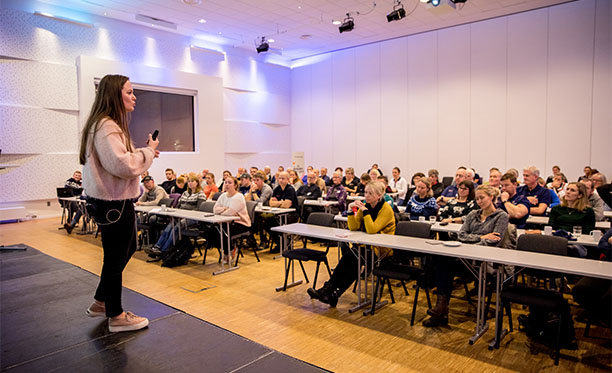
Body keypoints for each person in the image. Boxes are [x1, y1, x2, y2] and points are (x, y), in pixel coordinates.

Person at [80, 74, 158, 332]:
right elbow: (122, 165)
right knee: (115, 258)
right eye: (129, 91)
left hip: (111, 202)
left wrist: (143, 153)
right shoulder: (107, 126)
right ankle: (116, 315)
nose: (134, 96)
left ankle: (102, 302)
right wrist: (147, 152)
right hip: (114, 202)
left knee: (126, 249)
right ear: (115, 94)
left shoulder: (102, 125)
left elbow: (120, 158)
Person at [424, 184, 509, 327]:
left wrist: (474, 243)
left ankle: (441, 310)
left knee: (443, 264)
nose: (479, 201)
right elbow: (461, 235)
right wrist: (480, 238)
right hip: (465, 259)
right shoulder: (472, 214)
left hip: (483, 263)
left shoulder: (501, 216)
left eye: (482, 198)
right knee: (441, 260)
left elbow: (493, 242)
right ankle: (441, 308)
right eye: (477, 199)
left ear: (492, 197)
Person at [307, 181, 395, 307]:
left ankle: (333, 293)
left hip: (381, 250)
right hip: (365, 246)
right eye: (365, 192)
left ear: (379, 195)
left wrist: (365, 212)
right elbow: (353, 227)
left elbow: (372, 229)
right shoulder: (366, 205)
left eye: (370, 193)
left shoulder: (386, 209)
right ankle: (328, 290)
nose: (367, 196)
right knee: (348, 258)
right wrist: (350, 210)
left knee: (353, 259)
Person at [146, 174, 207, 256]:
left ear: (197, 183)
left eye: (192, 181)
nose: (190, 183)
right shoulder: (185, 193)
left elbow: (199, 209)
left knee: (176, 228)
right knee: (169, 227)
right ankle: (157, 247)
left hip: (193, 218)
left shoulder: (200, 194)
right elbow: (178, 206)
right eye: (188, 181)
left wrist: (185, 214)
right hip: (181, 216)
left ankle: (164, 250)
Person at [211, 176, 251, 263]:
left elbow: (230, 213)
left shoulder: (239, 197)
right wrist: (226, 208)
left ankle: (229, 251)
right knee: (212, 230)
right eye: (225, 182)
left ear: (235, 185)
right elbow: (215, 209)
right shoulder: (223, 196)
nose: (227, 185)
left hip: (241, 223)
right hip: (226, 222)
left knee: (223, 231)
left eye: (230, 183)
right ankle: (228, 249)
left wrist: (222, 210)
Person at [266, 171, 298, 252]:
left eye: (283, 178)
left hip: (292, 214)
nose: (280, 180)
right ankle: (281, 243)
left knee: (274, 223)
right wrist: (281, 202)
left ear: (287, 180)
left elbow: (287, 205)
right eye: (279, 178)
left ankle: (285, 244)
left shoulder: (290, 189)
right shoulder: (277, 189)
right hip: (279, 213)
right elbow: (271, 203)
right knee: (267, 223)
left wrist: (277, 203)